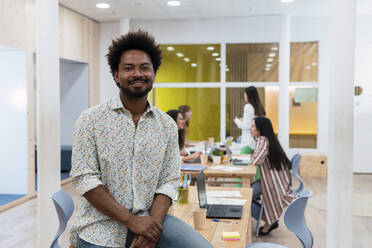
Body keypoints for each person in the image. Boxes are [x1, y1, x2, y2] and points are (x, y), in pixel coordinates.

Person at [69, 30, 212, 248]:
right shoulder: (91, 120)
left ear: (154, 73)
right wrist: (132, 222)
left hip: (152, 218)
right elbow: (85, 179)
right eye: (128, 68)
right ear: (116, 75)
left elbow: (169, 181)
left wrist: (149, 229)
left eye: (144, 67)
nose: (138, 73)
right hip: (100, 227)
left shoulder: (166, 125)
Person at [249, 116, 293, 236]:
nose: (250, 129)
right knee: (247, 193)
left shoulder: (263, 140)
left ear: (259, 129)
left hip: (273, 183)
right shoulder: (268, 139)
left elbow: (255, 161)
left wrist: (252, 156)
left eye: (253, 126)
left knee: (246, 197)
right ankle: (269, 219)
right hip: (274, 180)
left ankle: (269, 221)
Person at [233, 86, 266, 153]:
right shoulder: (259, 107)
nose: (244, 96)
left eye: (245, 94)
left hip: (248, 142)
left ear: (249, 95)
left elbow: (247, 126)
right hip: (256, 141)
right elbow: (253, 122)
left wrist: (237, 121)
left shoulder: (248, 107)